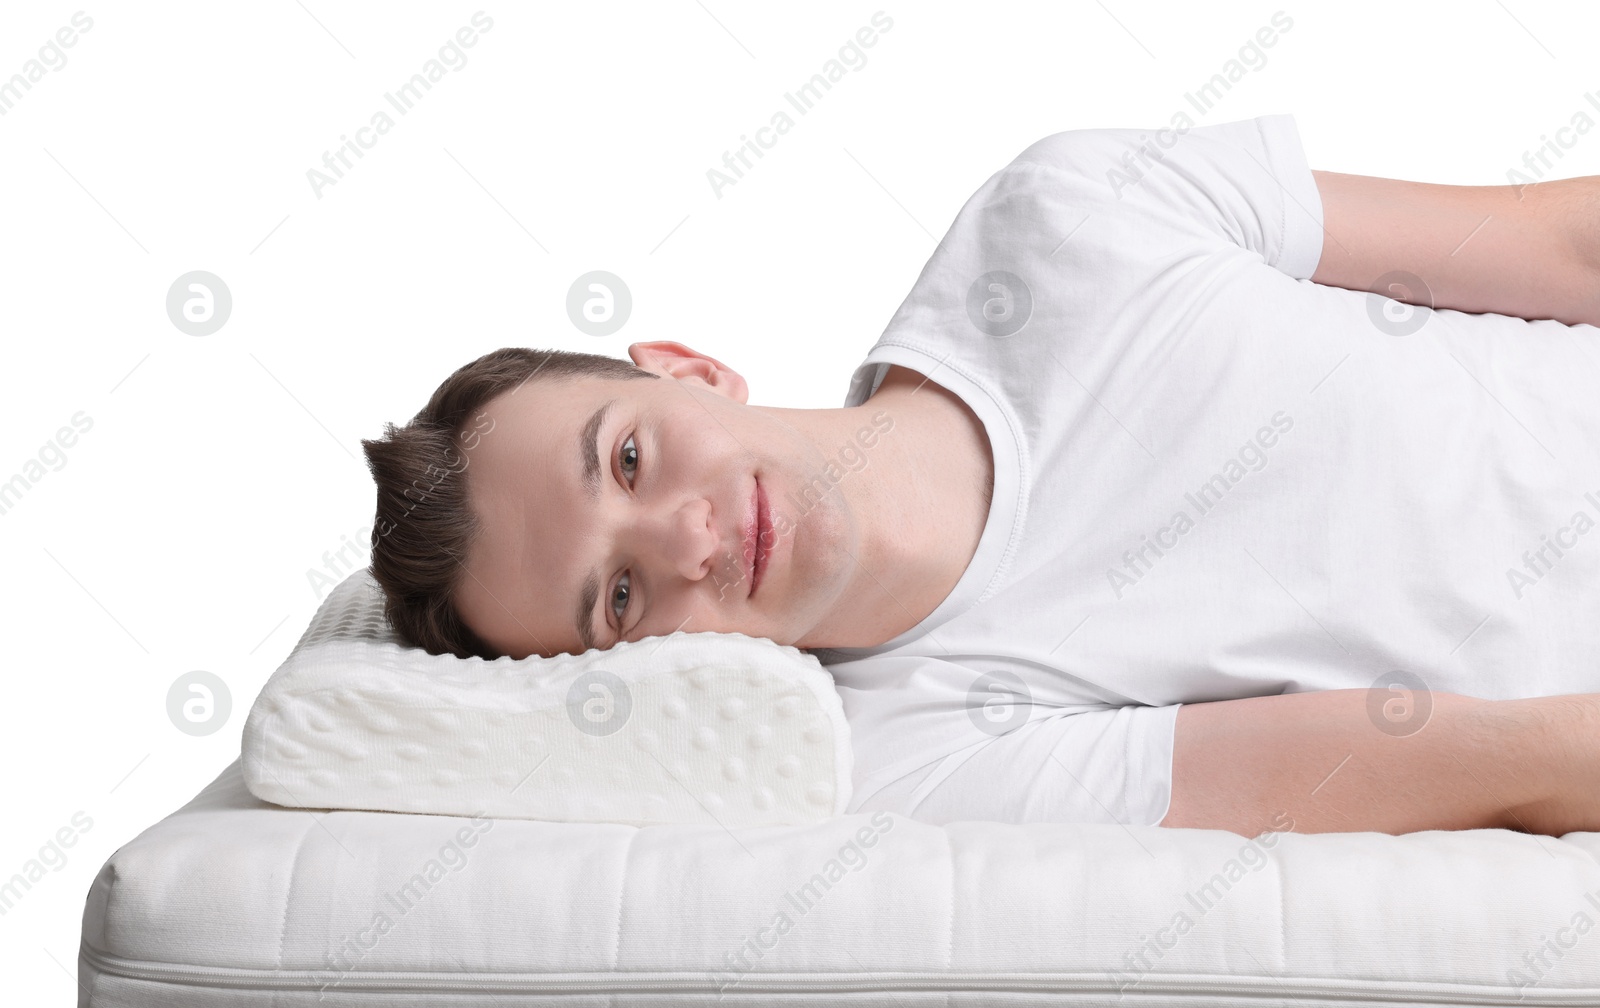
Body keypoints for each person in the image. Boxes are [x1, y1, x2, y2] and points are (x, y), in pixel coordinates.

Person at [361, 114, 1600, 838]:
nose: (683, 540)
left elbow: (1557, 244)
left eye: (626, 458)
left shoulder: (1065, 218)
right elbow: (1507, 759)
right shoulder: (915, 750)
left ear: (688, 367)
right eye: (619, 598)